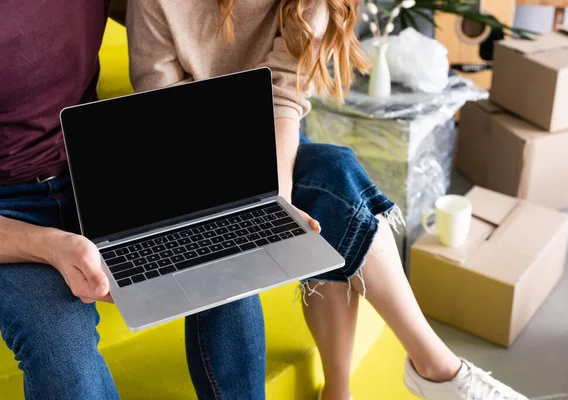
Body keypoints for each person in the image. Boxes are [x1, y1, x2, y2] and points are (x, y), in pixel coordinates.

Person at [125, 1, 533, 400]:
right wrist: (248, 200)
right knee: (242, 257)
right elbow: (161, 107)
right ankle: (437, 371)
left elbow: (282, 99)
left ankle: (359, 386)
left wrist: (275, 201)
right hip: (184, 153)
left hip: (264, 135)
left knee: (333, 179)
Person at [0, 2, 266, 399]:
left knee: (230, 270)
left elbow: (187, 13)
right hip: (10, 212)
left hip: (100, 165)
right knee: (62, 353)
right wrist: (48, 245)